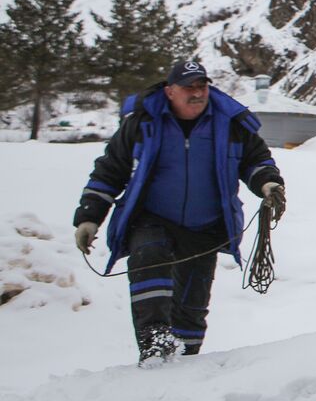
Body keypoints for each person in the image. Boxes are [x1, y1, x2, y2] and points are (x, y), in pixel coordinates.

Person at [72, 60, 285, 364]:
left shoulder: (230, 123)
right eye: (189, 87)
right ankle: (155, 345)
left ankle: (186, 365)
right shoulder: (142, 124)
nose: (197, 93)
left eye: (202, 86)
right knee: (149, 260)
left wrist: (268, 184)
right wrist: (89, 218)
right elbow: (110, 171)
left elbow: (256, 160)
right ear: (170, 91)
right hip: (152, 218)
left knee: (191, 308)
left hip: (206, 225)